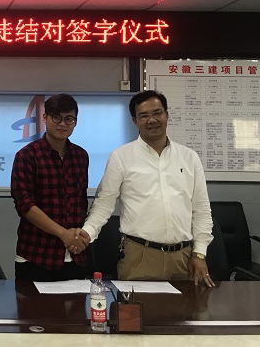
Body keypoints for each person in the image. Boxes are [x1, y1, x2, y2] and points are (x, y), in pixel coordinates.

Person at [78, 90, 214, 287]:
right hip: (139, 257)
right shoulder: (121, 157)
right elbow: (103, 204)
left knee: (186, 307)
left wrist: (199, 253)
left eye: (157, 113)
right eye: (144, 115)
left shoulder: (189, 157)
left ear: (167, 115)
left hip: (183, 258)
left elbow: (201, 209)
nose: (152, 120)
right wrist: (87, 233)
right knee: (138, 308)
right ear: (135, 121)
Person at [10, 93, 90, 281]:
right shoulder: (27, 156)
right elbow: (25, 206)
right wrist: (63, 234)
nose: (62, 124)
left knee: (79, 302)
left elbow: (80, 202)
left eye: (69, 119)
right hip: (36, 255)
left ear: (75, 122)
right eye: (56, 117)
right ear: (45, 118)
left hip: (74, 256)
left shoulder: (81, 156)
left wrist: (77, 237)